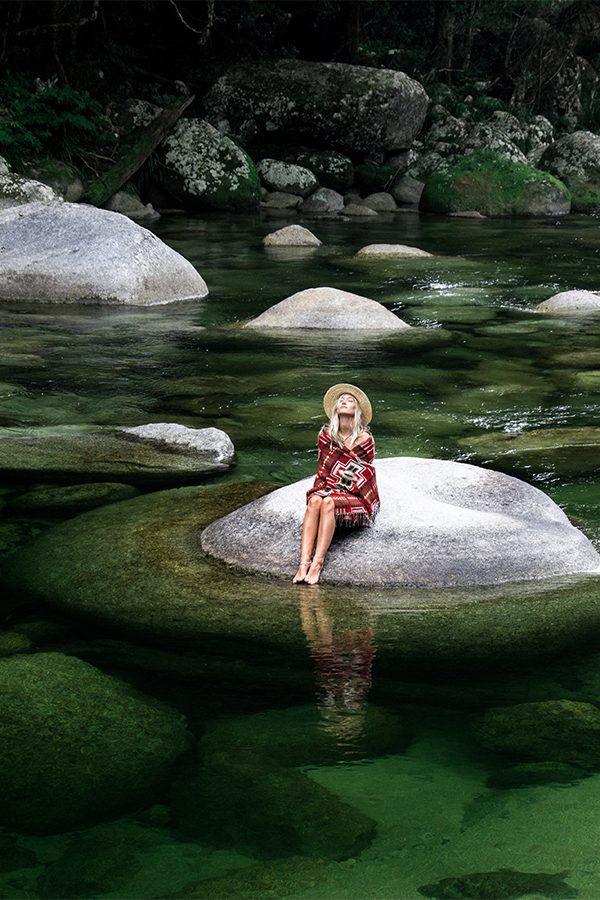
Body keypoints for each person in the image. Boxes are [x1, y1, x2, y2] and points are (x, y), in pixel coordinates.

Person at [293, 383, 379, 585]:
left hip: (353, 493)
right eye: (341, 399)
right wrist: (329, 487)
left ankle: (318, 563)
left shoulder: (365, 439)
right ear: (336, 409)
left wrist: (337, 486)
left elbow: (365, 473)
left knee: (329, 502)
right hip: (327, 486)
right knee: (315, 500)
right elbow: (323, 470)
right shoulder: (326, 436)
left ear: (356, 410)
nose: (344, 401)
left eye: (350, 400)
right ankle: (303, 563)